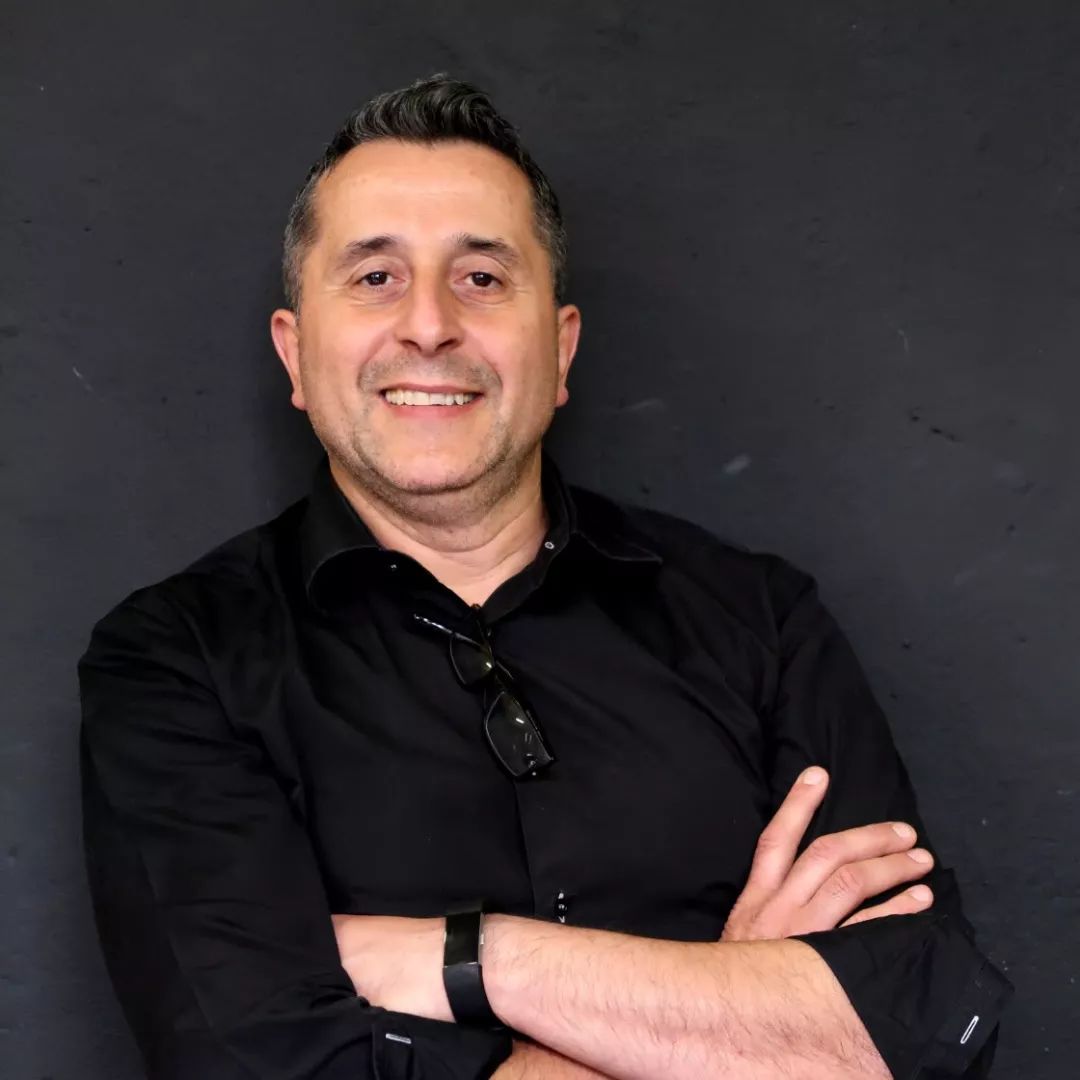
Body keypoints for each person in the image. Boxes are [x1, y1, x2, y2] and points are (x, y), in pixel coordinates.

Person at [77, 73, 1013, 1080]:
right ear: (296, 355)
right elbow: (252, 1064)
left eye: (482, 277)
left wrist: (473, 960)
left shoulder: (761, 621)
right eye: (375, 277)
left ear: (560, 350)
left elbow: (921, 1024)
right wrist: (736, 1010)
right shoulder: (179, 661)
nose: (428, 325)